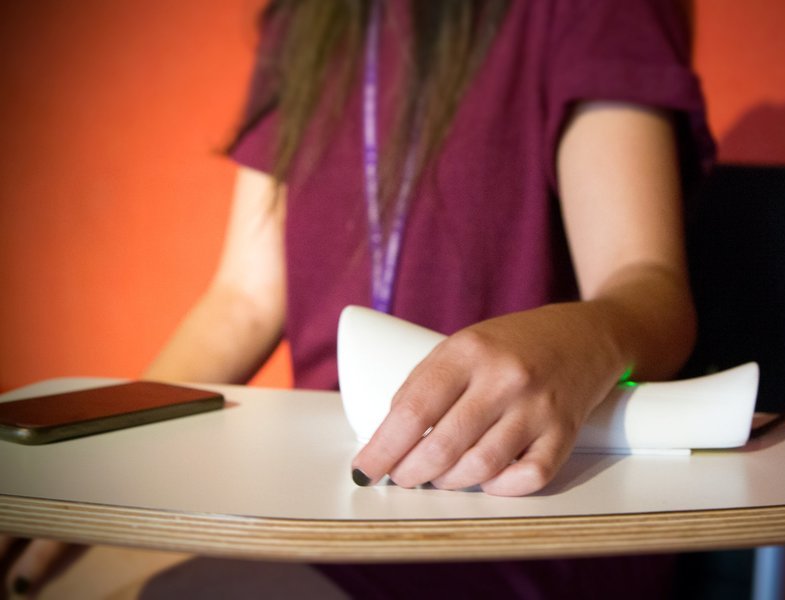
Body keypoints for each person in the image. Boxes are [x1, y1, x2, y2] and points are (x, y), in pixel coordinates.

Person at [3, 0, 714, 596]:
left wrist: (579, 341)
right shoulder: (309, 22)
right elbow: (244, 300)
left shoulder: (586, 11)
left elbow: (647, 286)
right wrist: (98, 473)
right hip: (323, 512)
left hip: (521, 520)